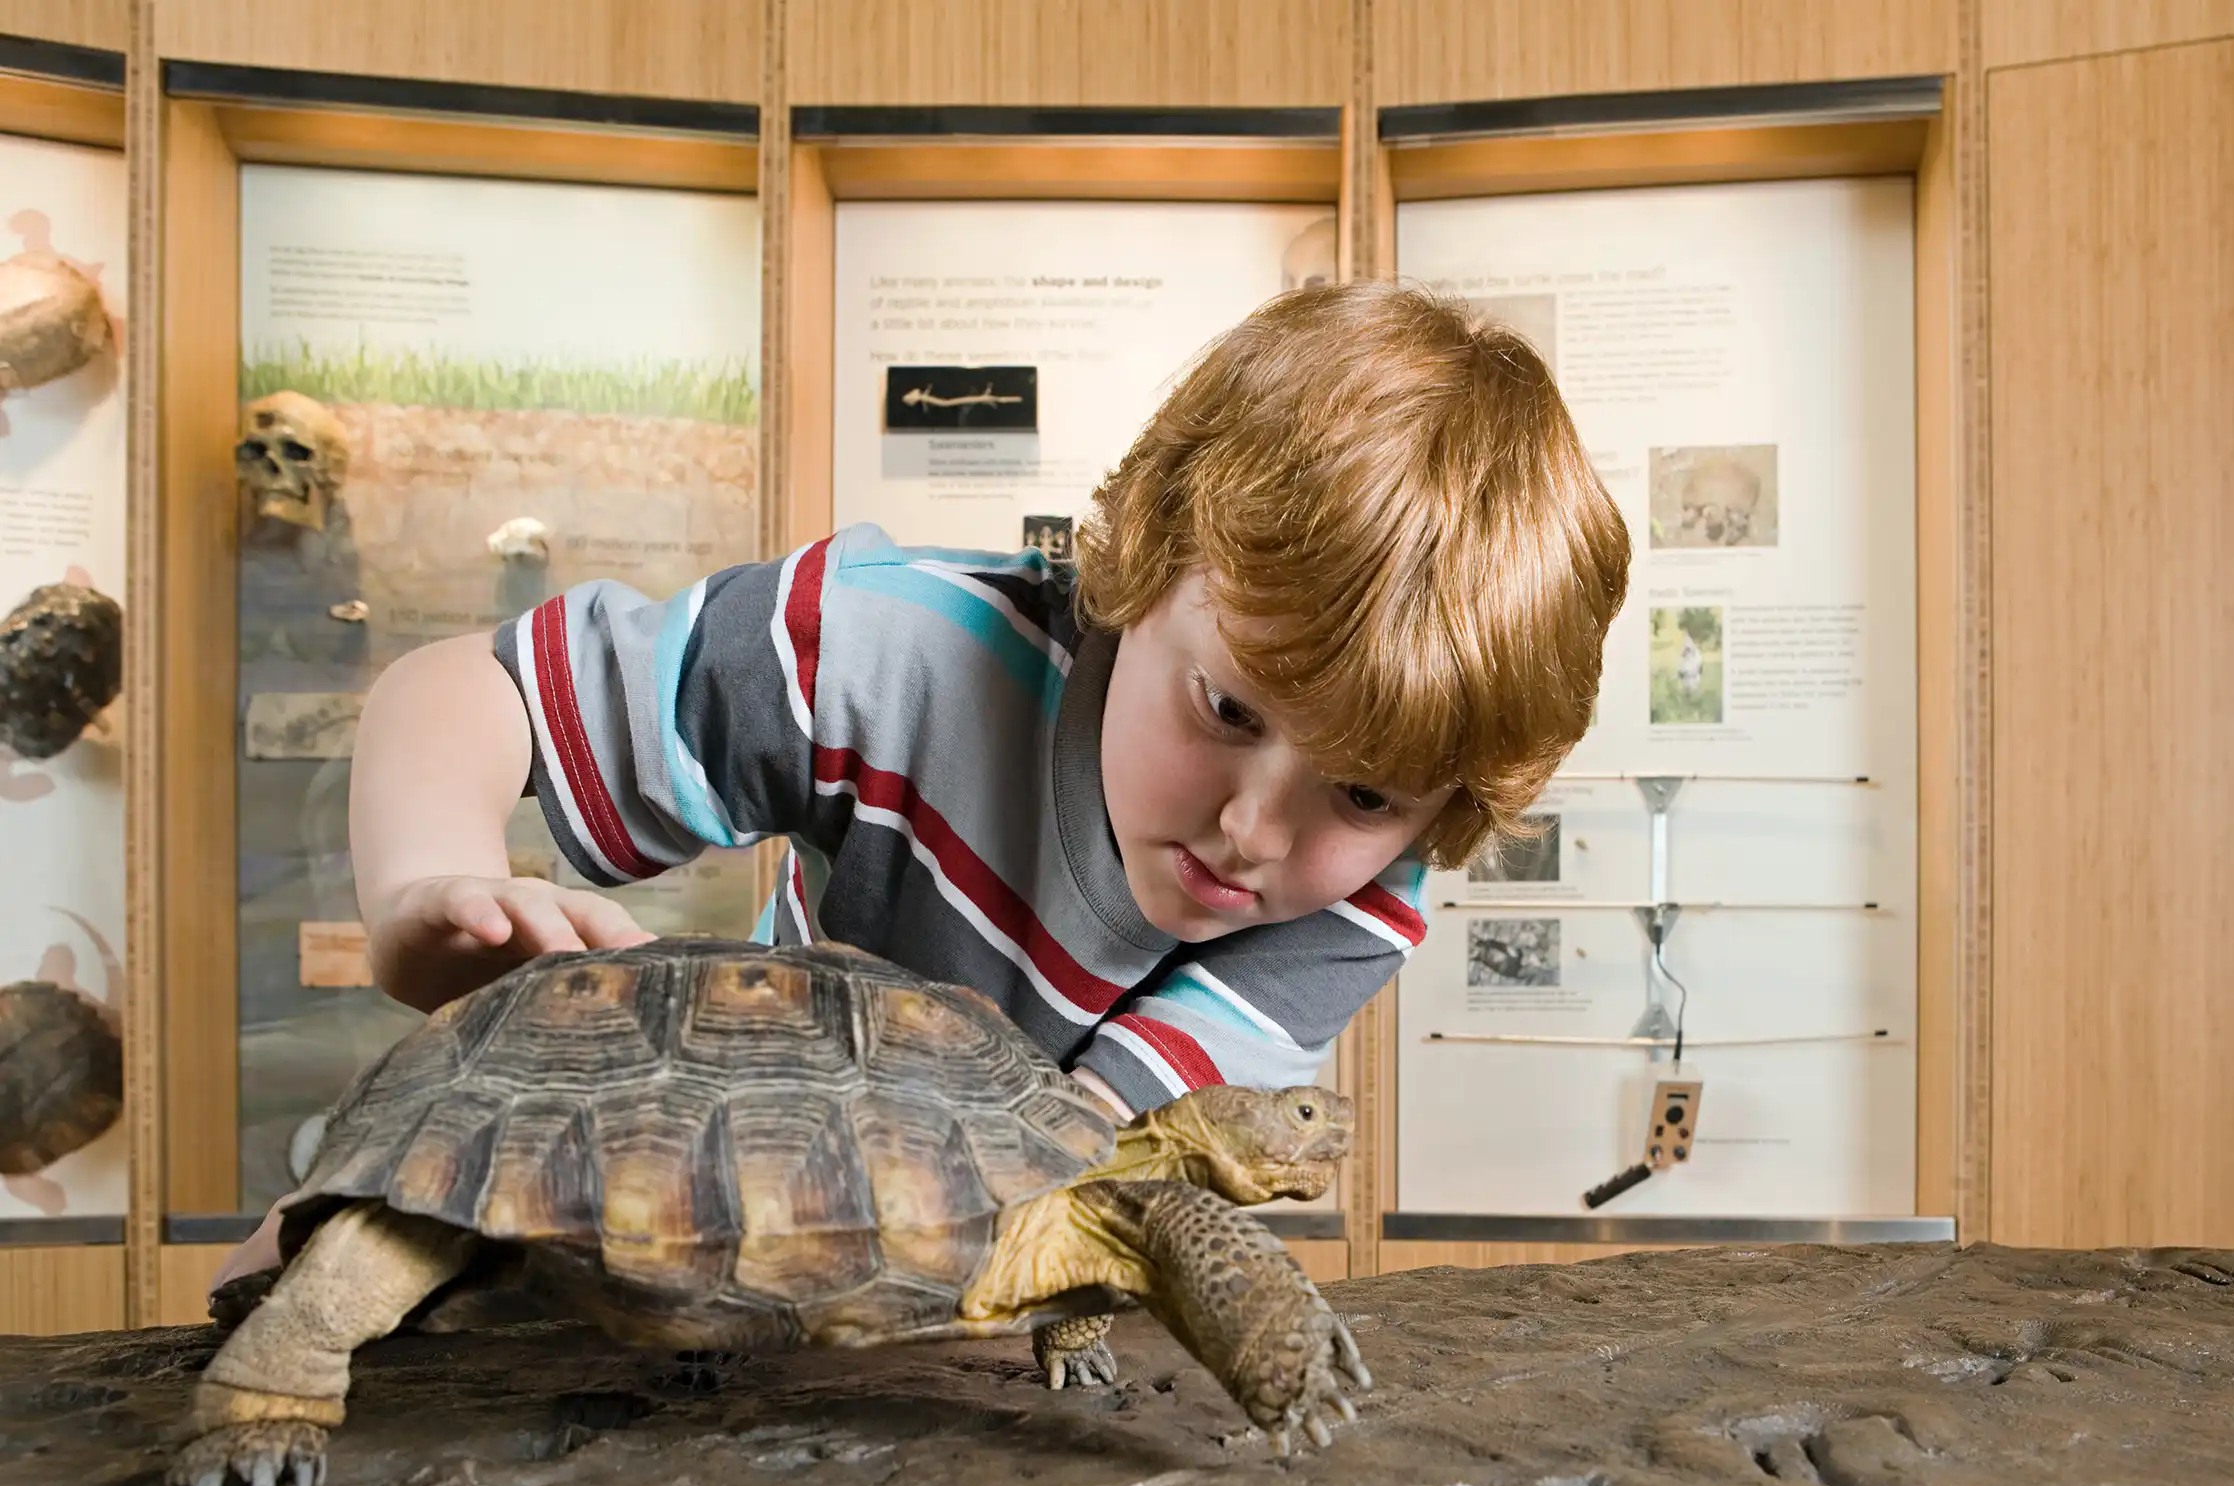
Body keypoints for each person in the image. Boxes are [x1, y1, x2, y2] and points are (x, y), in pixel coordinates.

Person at [210, 278, 1632, 1291]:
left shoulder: (1359, 900)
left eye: (1370, 795)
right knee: (318, 1282)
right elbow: (461, 690)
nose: (1257, 829)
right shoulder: (893, 653)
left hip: (931, 1266)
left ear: (1445, 801)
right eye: (1229, 706)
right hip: (697, 1155)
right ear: (1143, 562)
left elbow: (1074, 1191)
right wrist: (425, 880)